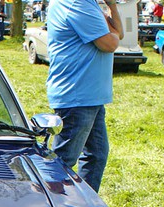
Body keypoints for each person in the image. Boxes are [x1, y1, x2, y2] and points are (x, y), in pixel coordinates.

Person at [45, 0, 123, 193]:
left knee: (96, 155)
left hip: (90, 96)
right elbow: (110, 43)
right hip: (77, 96)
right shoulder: (75, 3)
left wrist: (112, 6)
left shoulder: (89, 4)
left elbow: (118, 34)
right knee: (62, 162)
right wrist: (110, 31)